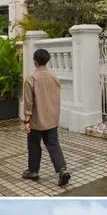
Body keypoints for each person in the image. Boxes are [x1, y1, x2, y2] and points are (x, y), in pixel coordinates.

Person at [22, 48, 71, 186]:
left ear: (35, 61)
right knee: (53, 144)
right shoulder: (54, 77)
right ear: (47, 60)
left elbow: (28, 102)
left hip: (37, 120)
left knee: (34, 145)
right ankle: (62, 169)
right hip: (52, 119)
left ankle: (33, 171)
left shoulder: (31, 79)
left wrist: (26, 120)